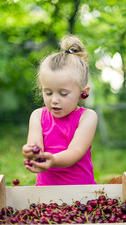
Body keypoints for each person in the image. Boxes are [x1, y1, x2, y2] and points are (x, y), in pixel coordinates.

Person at [22, 35, 98, 186]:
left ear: (83, 91)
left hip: (82, 194)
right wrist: (29, 151)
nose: (54, 100)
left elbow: (75, 151)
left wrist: (53, 160)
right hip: (46, 193)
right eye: (48, 92)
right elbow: (35, 146)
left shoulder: (87, 117)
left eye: (63, 93)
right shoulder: (37, 116)